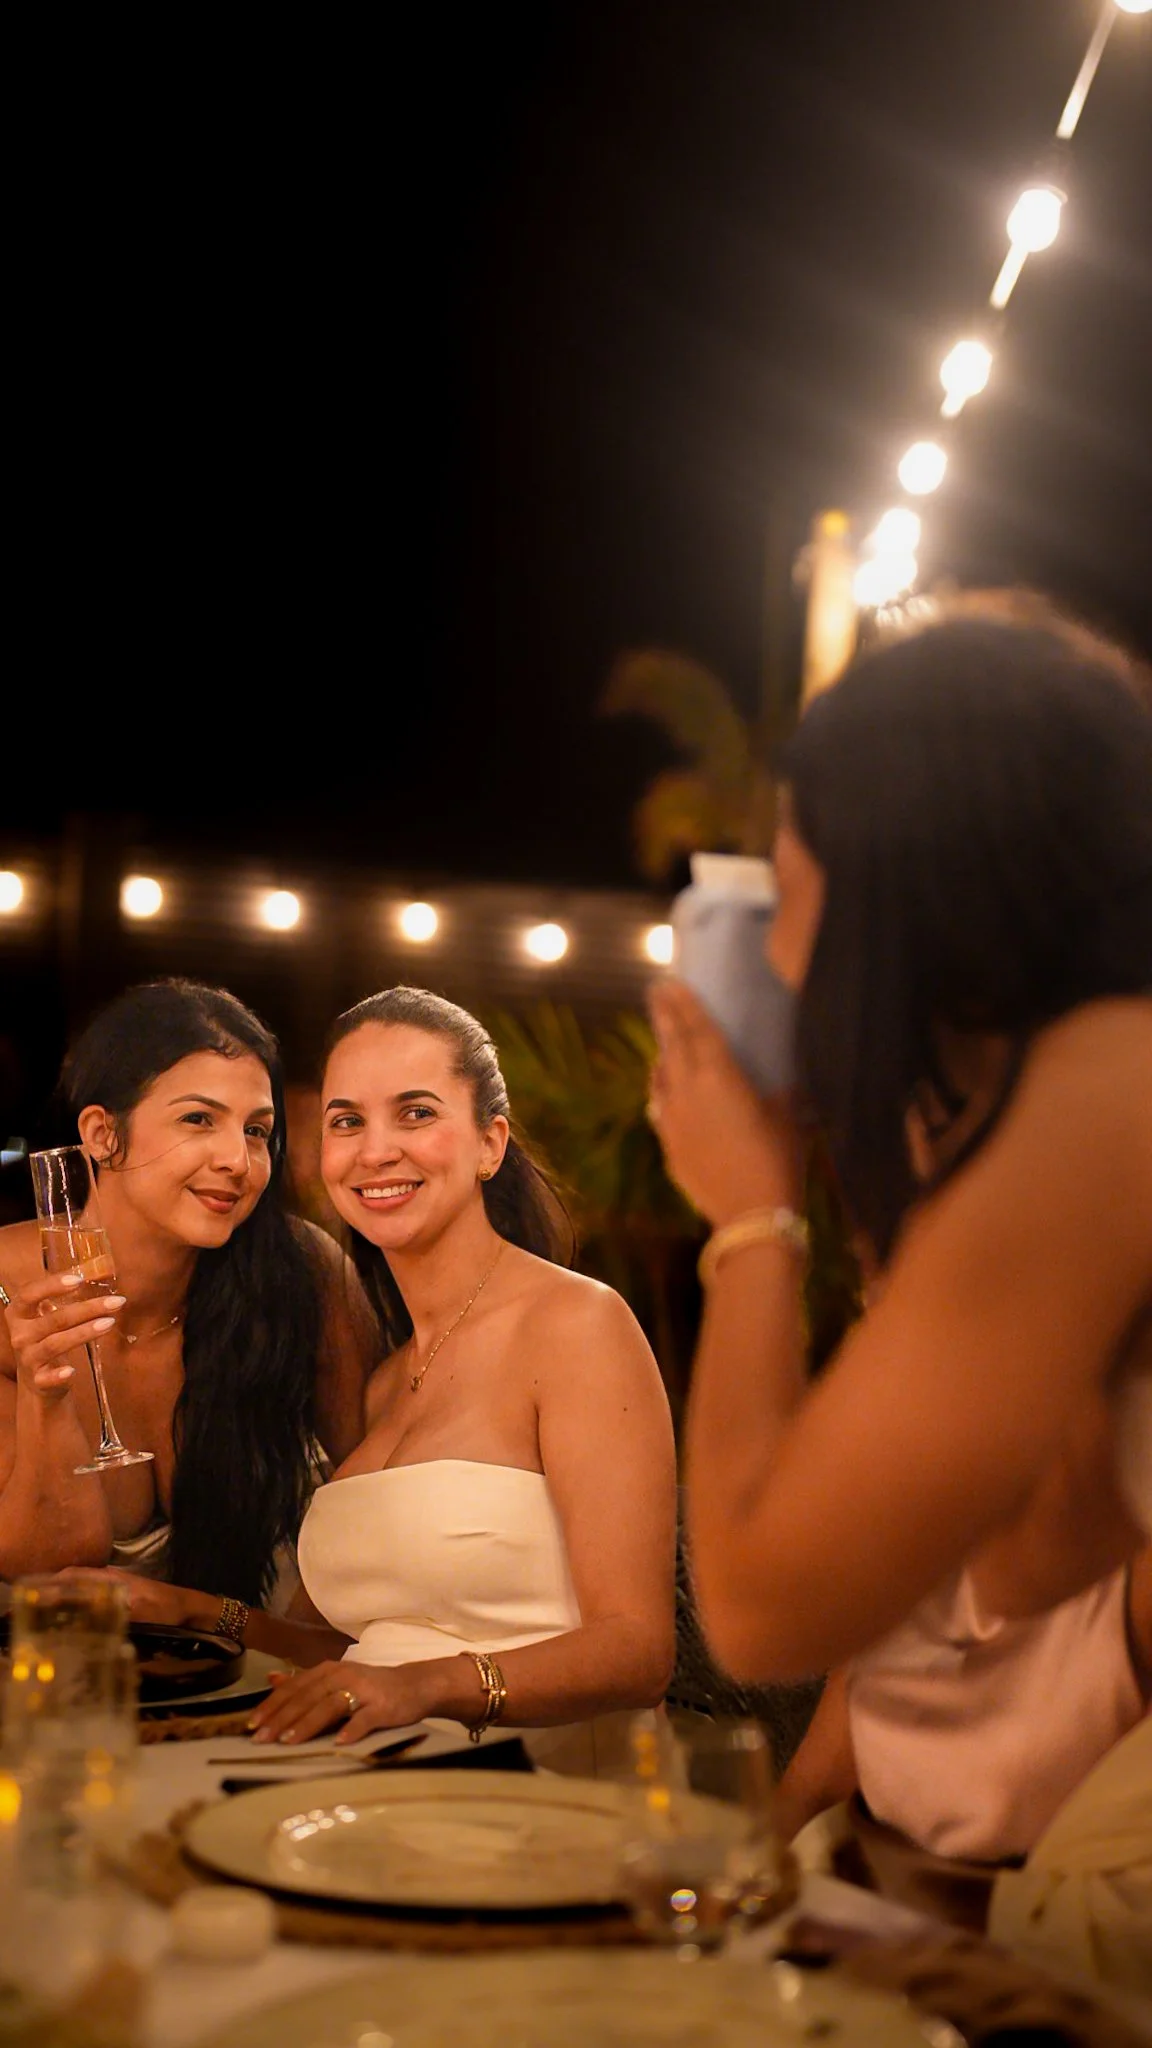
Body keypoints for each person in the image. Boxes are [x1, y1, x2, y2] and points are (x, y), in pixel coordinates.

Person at [646, 601, 1152, 1984]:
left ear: (899, 882)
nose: (782, 946)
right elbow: (1026, 1558)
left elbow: (755, 1607)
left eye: (791, 875)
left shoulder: (1113, 1086)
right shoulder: (1084, 1089)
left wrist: (750, 1212)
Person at [89, 987, 678, 1774]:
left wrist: (426, 1687)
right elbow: (342, 1653)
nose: (375, 1150)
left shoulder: (577, 1324)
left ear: (489, 1144)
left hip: (549, 1791)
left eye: (417, 1113)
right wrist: (190, 1610)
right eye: (346, 1121)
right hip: (389, 1778)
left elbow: (638, 1651)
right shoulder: (383, 1375)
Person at [0, 979, 377, 1603]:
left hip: (264, 1672)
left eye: (257, 1131)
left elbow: (382, 1497)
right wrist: (48, 1403)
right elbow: (48, 1568)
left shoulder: (300, 1270)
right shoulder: (10, 1296)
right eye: (198, 1119)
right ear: (100, 1133)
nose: (237, 1159)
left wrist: (300, 1650)